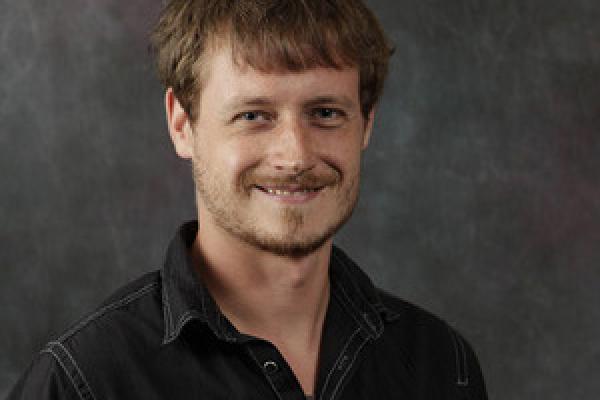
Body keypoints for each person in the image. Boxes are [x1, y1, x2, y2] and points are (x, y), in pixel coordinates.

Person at [8, 0, 487, 399]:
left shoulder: (442, 366)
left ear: (367, 123)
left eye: (324, 112)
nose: (295, 155)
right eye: (254, 115)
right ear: (182, 124)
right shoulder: (83, 382)